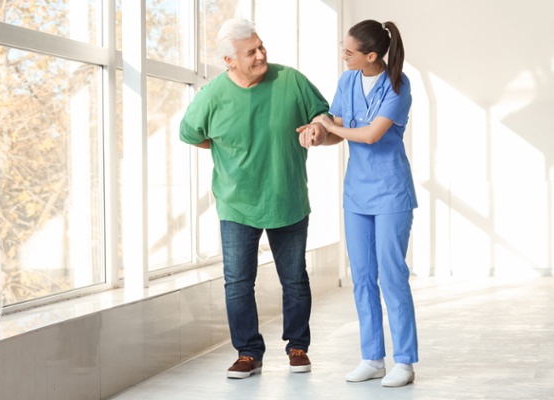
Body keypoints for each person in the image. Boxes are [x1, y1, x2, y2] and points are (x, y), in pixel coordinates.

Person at [179, 18, 329, 379]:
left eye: (261, 47)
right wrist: (229, 154)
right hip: (236, 203)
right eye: (251, 52)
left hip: (287, 196)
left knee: (294, 279)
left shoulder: (290, 80)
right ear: (230, 61)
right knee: (238, 282)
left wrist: (319, 128)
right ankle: (248, 352)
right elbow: (191, 134)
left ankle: (297, 346)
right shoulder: (212, 96)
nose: (261, 55)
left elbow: (323, 115)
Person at [298, 19, 418, 387]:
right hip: (357, 195)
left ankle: (405, 362)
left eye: (349, 52)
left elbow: (368, 134)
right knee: (363, 277)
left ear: (371, 55)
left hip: (391, 193)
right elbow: (337, 124)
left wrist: (330, 126)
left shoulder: (399, 85)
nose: (343, 55)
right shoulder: (347, 80)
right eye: (342, 48)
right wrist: (319, 131)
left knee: (392, 275)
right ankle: (372, 357)